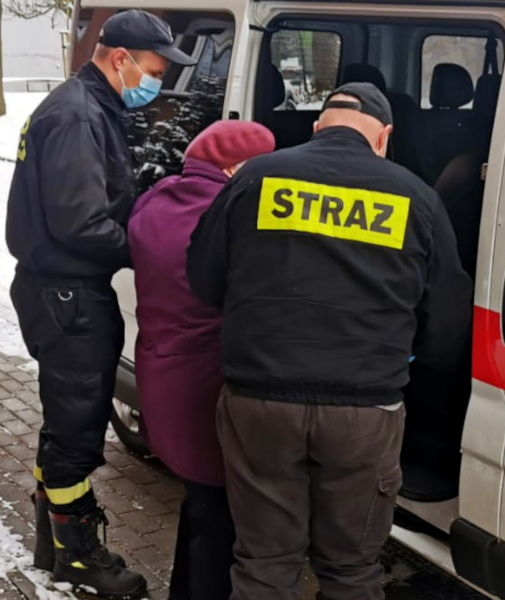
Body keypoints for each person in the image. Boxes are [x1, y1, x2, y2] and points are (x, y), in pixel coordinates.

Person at [187, 82, 473, 600]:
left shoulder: (256, 177)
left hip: (260, 400)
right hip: (364, 410)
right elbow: (447, 325)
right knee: (351, 570)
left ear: (318, 127)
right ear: (383, 137)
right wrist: (404, 358)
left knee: (264, 564)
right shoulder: (417, 197)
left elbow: (205, 280)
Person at [5, 9, 194, 599]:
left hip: (63, 291)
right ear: (121, 59)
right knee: (77, 431)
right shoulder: (78, 116)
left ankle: (52, 541)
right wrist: (153, 247)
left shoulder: (87, 105)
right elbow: (82, 223)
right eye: (154, 72)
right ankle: (79, 557)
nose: (156, 83)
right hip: (66, 296)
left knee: (66, 422)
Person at [127, 120, 276, 600]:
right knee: (218, 518)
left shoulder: (155, 200)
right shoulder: (227, 215)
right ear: (234, 167)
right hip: (205, 385)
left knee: (200, 505)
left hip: (161, 373)